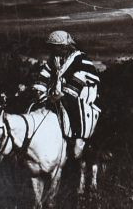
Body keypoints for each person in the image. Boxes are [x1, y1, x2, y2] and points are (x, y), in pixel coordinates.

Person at [28, 30, 103, 161]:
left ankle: (78, 138)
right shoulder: (55, 59)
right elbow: (45, 73)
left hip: (83, 92)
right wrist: (40, 88)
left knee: (70, 106)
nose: (52, 49)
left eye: (54, 46)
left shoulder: (81, 59)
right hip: (60, 90)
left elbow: (80, 79)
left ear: (64, 46)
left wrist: (63, 94)